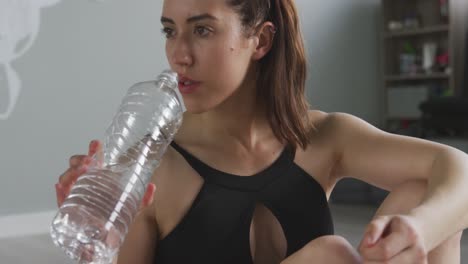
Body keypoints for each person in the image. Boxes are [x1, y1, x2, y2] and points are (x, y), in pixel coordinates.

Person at [55, 0, 468, 263]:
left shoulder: (322, 136)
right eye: (169, 30)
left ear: (261, 40)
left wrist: (422, 228)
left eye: (201, 29)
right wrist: (99, 248)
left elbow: (458, 169)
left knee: (422, 191)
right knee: (329, 255)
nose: (178, 54)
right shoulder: (149, 170)